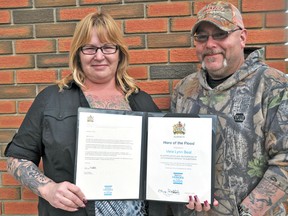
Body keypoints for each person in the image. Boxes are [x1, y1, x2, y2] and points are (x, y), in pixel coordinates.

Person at [4, 12, 161, 216]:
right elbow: (18, 158)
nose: (99, 56)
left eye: (107, 47)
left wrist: (189, 190)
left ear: (119, 52)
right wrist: (48, 189)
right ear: (78, 53)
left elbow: (162, 160)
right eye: (89, 48)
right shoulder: (51, 99)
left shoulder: (142, 101)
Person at [170, 1, 288, 216]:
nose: (210, 44)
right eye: (202, 37)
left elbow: (285, 161)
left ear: (242, 37)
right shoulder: (184, 90)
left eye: (220, 34)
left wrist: (247, 211)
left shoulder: (274, 85)